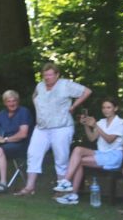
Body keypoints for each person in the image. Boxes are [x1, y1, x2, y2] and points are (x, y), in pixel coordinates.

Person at [15, 62, 91, 196]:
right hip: (41, 128)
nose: (47, 78)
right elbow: (34, 96)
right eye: (45, 75)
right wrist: (39, 107)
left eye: (50, 75)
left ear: (57, 75)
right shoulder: (40, 86)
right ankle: (29, 187)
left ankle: (61, 189)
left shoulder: (65, 85)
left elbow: (86, 91)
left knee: (61, 157)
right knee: (33, 154)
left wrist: (73, 106)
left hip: (61, 127)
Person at [53, 97, 123, 205]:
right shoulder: (102, 122)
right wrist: (86, 125)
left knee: (79, 161)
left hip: (113, 156)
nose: (106, 110)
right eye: (104, 107)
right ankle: (68, 187)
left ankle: (69, 188)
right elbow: (92, 138)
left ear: (115, 108)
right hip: (101, 153)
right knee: (78, 150)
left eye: (109, 107)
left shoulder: (120, 122)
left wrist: (95, 125)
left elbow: (109, 139)